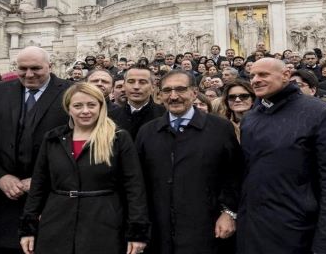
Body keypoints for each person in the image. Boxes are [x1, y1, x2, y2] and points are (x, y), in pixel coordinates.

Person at [237, 58, 326, 254]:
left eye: (263, 74)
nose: (255, 80)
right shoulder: (251, 118)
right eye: (252, 76)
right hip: (253, 230)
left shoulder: (321, 112)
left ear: (286, 75)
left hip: (299, 230)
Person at [18, 83, 149, 254]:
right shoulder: (53, 139)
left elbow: (134, 187)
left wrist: (137, 233)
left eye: (91, 105)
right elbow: (38, 186)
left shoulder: (118, 138)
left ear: (101, 106)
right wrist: (28, 229)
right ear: (68, 108)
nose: (85, 111)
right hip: (56, 223)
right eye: (78, 106)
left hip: (103, 224)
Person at [136, 71, 243, 254]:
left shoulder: (219, 128)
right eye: (167, 90)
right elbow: (138, 183)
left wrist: (229, 212)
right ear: (159, 95)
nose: (174, 96)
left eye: (180, 89)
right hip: (160, 231)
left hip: (207, 228)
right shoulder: (147, 132)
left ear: (194, 93)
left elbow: (235, 175)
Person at [0, 47, 72, 253]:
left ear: (51, 66)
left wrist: (42, 178)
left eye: (36, 68)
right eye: (23, 68)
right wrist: (0, 175)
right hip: (2, 196)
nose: (29, 74)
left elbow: (77, 143)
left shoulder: (71, 92)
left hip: (50, 197)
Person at [109, 67, 167, 139]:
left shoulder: (166, 115)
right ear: (124, 86)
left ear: (153, 87)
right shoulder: (110, 118)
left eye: (142, 82)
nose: (136, 87)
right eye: (131, 82)